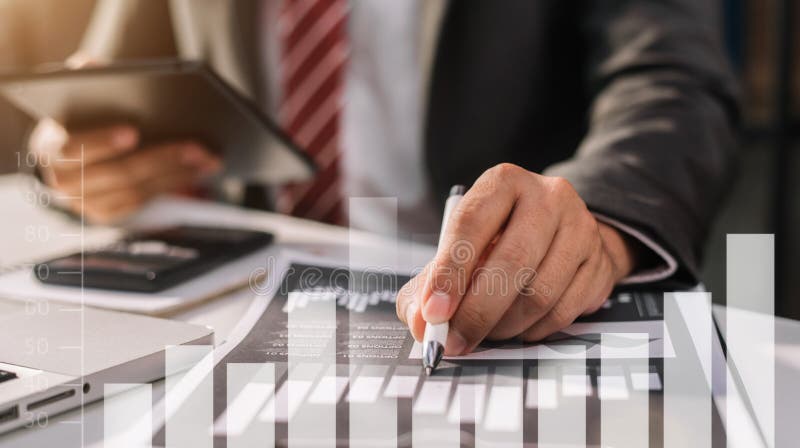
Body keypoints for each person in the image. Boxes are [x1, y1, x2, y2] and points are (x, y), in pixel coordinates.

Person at [33, 0, 738, 355]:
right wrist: (63, 153)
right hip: (241, 289)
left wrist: (600, 216)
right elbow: (105, 80)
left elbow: (673, 78)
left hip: (486, 291)